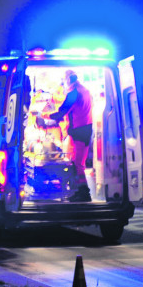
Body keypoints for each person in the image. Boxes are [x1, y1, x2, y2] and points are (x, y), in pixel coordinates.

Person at [39, 70, 93, 202]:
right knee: (76, 162)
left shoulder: (73, 93)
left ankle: (84, 193)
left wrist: (43, 116)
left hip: (79, 131)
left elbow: (61, 112)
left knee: (78, 164)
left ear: (69, 80)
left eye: (64, 80)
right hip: (85, 129)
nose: (63, 83)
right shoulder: (85, 90)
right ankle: (79, 191)